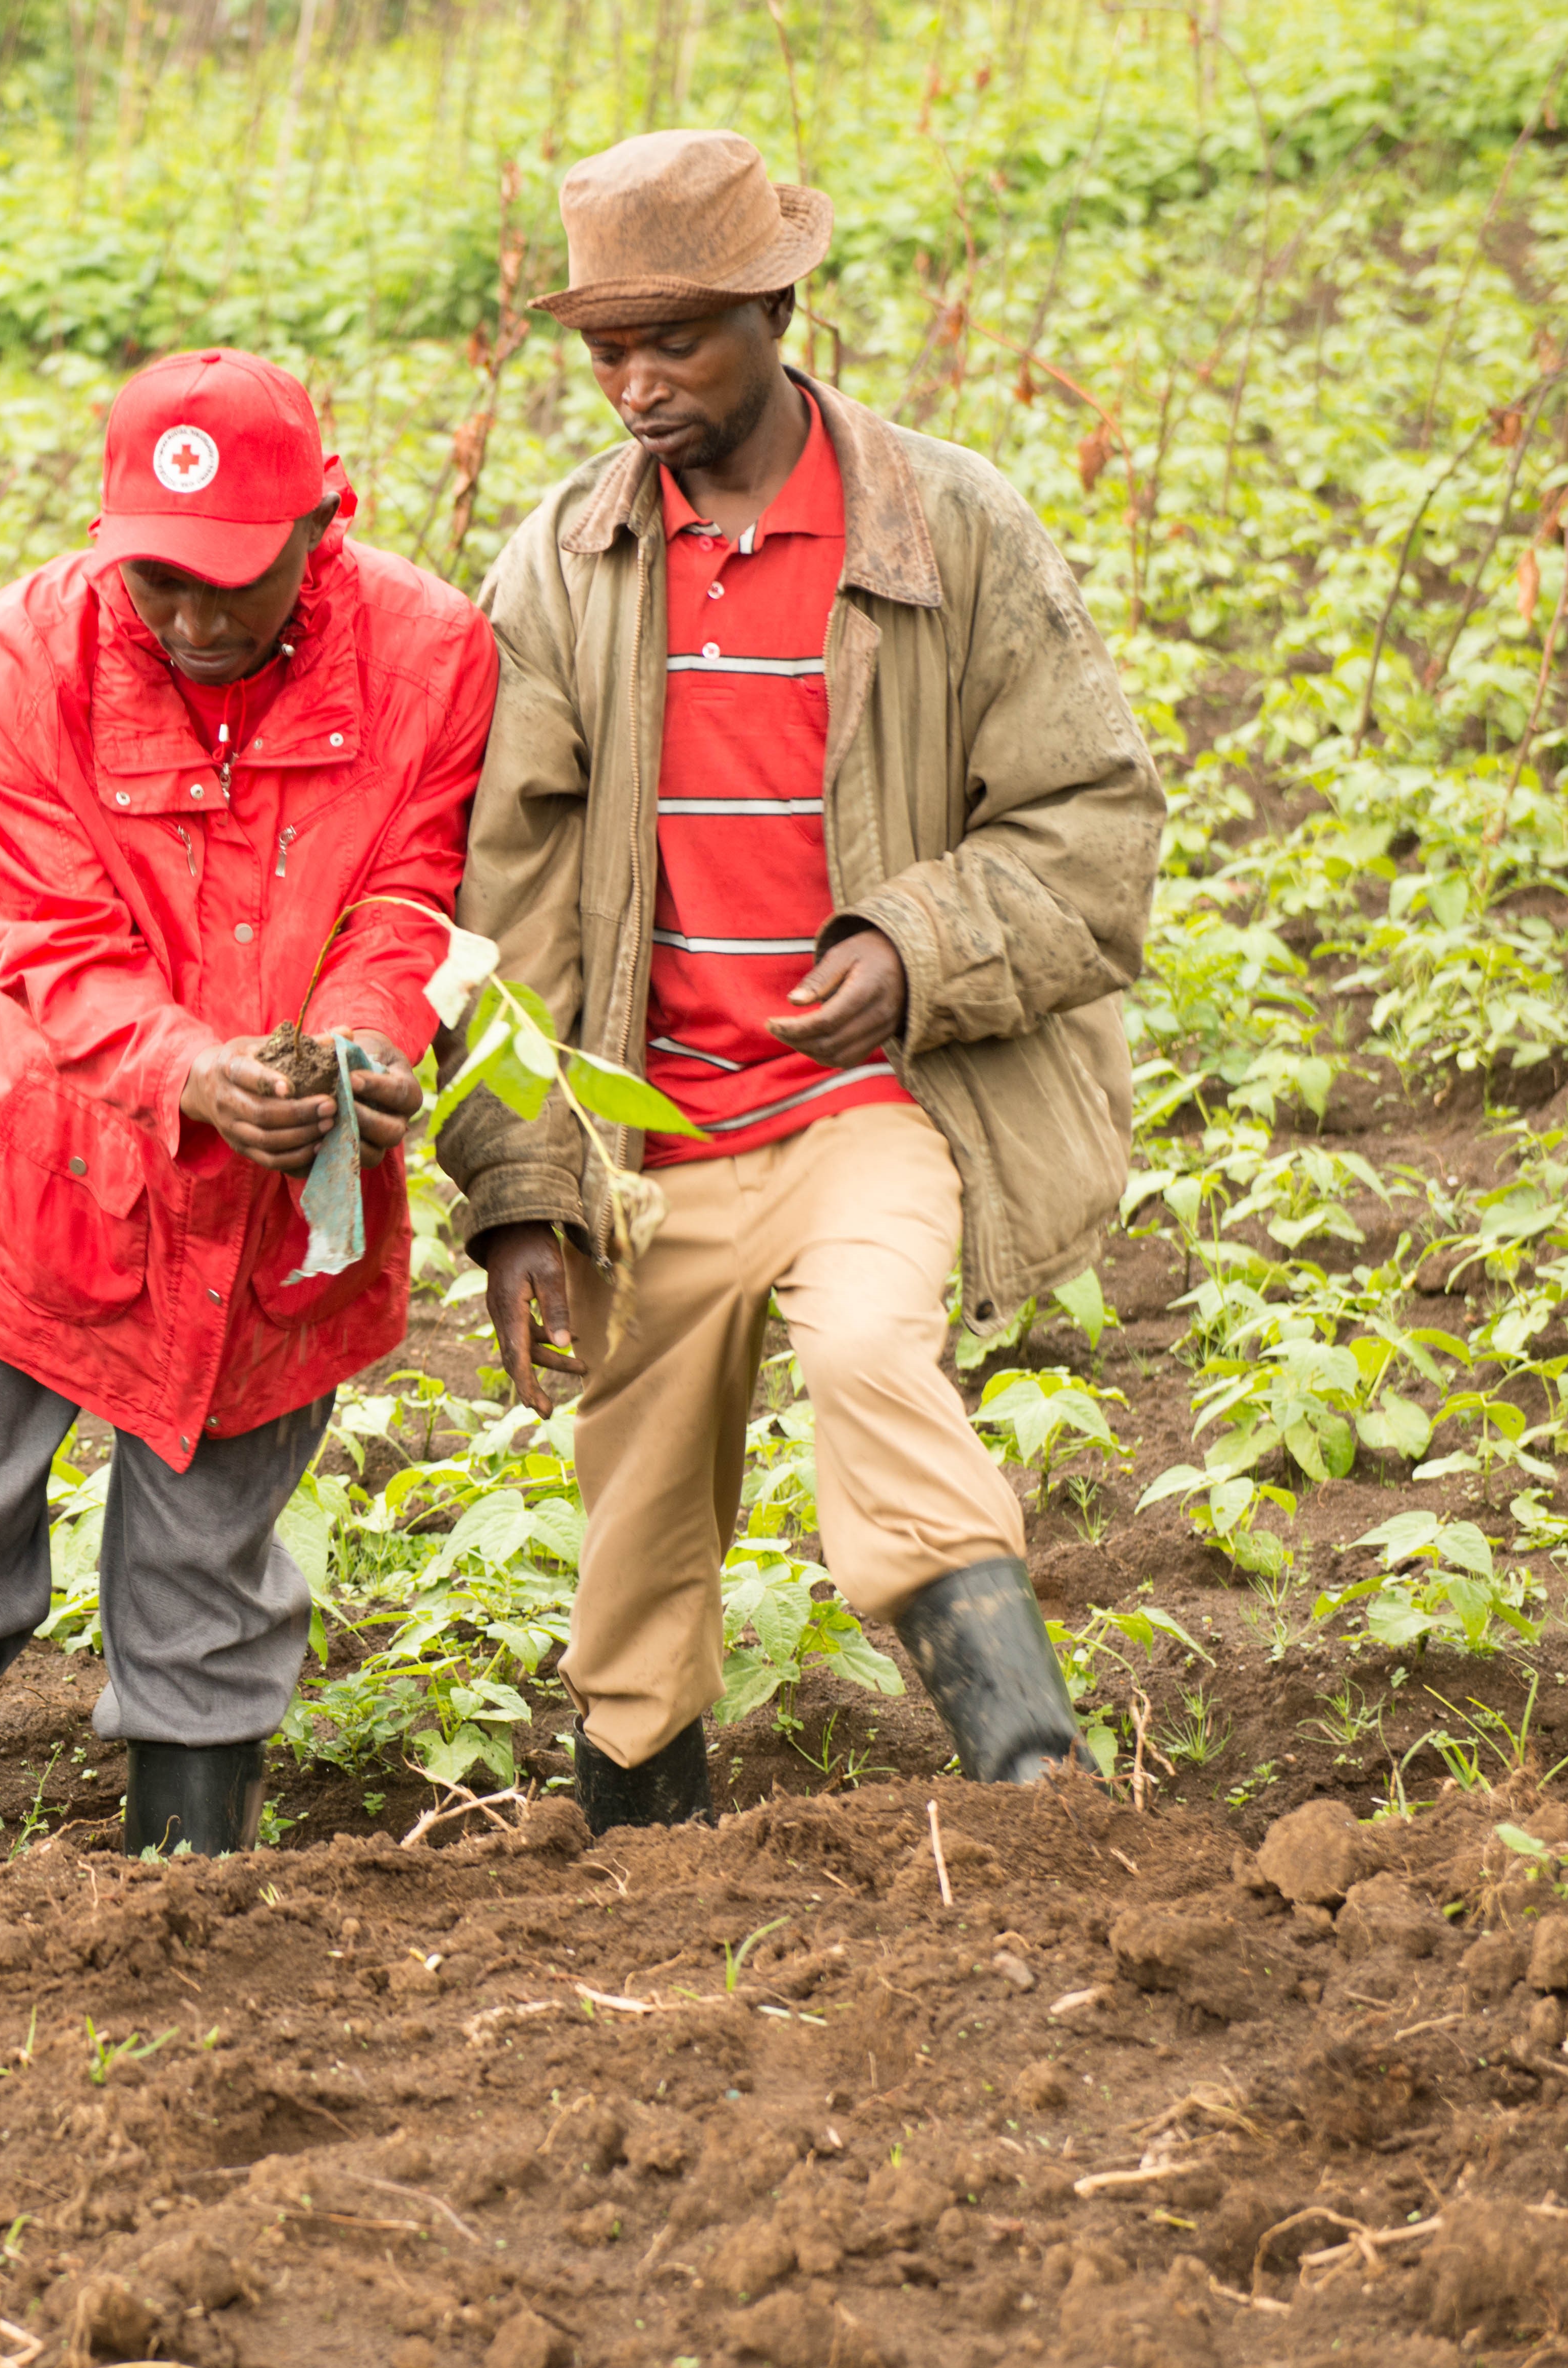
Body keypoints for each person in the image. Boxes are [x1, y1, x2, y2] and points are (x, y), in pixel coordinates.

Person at [443, 130, 1162, 1830]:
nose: (632, 385)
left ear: (777, 306)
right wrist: (524, 1189)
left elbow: (1095, 820)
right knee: (632, 1511)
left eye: (672, 341)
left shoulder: (953, 526)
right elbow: (507, 900)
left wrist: (914, 946)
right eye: (605, 350)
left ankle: (1033, 1778)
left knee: (866, 1356)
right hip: (652, 1132)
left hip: (866, 1108)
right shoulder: (560, 562)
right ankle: (644, 1840)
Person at [0, 350, 500, 1865]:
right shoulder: (15, 663)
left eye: (233, 585)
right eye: (159, 584)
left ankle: (181, 1918)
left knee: (208, 1568)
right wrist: (192, 1072)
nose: (192, 619)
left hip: (270, 1210)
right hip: (33, 1175)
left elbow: (409, 899)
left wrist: (363, 1048)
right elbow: (47, 943)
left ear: (330, 524)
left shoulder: (433, 655)